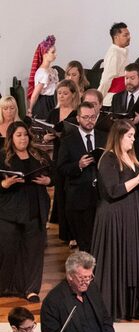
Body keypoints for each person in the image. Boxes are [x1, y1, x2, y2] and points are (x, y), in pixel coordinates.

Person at [90, 120, 139, 320]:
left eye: (133, 135)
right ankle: (116, 307)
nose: (132, 139)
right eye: (129, 136)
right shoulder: (108, 159)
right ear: (118, 136)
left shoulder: (131, 158)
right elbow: (113, 191)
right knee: (118, 260)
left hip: (134, 215)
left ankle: (136, 307)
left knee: (134, 258)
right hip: (115, 218)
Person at [0, 121, 52, 302]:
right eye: (18, 135)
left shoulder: (39, 155)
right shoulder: (2, 157)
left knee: (34, 251)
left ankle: (31, 290)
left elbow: (53, 175)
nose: (23, 138)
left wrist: (48, 181)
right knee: (8, 249)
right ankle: (6, 286)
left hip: (35, 208)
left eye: (25, 134)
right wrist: (4, 184)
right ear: (11, 138)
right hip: (10, 211)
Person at [58, 102, 106, 252]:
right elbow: (61, 168)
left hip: (101, 197)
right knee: (85, 244)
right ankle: (87, 274)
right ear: (78, 118)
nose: (90, 120)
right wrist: (78, 165)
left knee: (100, 242)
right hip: (78, 199)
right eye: (85, 117)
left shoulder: (104, 136)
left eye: (93, 117)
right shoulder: (68, 140)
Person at [46, 79, 81, 238]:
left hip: (73, 157)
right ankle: (64, 232)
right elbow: (46, 132)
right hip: (58, 156)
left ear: (73, 95)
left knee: (71, 194)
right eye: (59, 93)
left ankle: (74, 233)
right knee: (59, 192)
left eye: (65, 93)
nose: (61, 96)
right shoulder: (53, 113)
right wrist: (47, 136)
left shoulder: (77, 113)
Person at [111, 63, 139, 137]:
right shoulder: (116, 97)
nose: (128, 81)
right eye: (126, 78)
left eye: (132, 78)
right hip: (119, 140)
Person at [99, 22, 131, 107]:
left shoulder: (122, 51)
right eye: (125, 35)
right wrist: (98, 98)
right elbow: (107, 79)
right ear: (116, 37)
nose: (129, 37)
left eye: (129, 35)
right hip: (112, 99)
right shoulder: (114, 54)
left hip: (122, 96)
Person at [26, 35, 58, 119]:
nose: (55, 54)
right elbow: (35, 94)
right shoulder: (42, 73)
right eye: (53, 52)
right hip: (45, 104)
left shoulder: (52, 70)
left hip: (53, 100)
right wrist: (30, 109)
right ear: (45, 53)